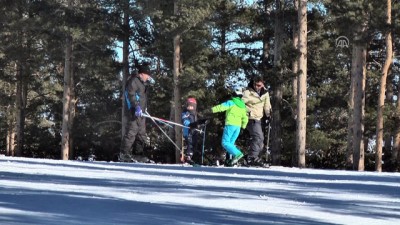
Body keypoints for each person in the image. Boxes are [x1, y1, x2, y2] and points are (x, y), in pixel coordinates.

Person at [119, 63, 155, 163]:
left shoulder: (143, 83)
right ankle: (124, 153)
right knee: (131, 132)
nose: (148, 77)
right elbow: (130, 95)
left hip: (141, 113)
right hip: (134, 112)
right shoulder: (134, 81)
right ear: (142, 74)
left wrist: (144, 108)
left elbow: (142, 98)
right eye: (147, 75)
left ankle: (137, 154)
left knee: (141, 134)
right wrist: (136, 107)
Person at [207, 85, 248, 166]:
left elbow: (221, 107)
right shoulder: (243, 106)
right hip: (238, 127)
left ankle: (238, 154)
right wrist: (243, 126)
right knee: (231, 144)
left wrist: (211, 110)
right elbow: (245, 118)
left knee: (225, 143)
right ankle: (232, 161)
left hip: (230, 125)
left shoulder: (231, 102)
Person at [241, 76, 272, 167]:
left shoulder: (265, 93)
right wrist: (248, 111)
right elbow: (240, 103)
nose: (258, 87)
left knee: (260, 139)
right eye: (256, 85)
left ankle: (253, 157)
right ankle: (252, 157)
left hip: (259, 118)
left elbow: (267, 105)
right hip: (250, 118)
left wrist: (269, 114)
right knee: (258, 137)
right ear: (253, 83)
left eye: (260, 85)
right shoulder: (247, 92)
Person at [181, 97, 199, 164]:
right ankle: (188, 157)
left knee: (195, 144)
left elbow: (196, 121)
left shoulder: (195, 114)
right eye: (189, 106)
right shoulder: (185, 113)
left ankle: (193, 157)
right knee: (189, 143)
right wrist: (190, 124)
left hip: (194, 131)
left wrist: (199, 125)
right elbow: (185, 120)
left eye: (192, 106)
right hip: (188, 131)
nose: (190, 107)